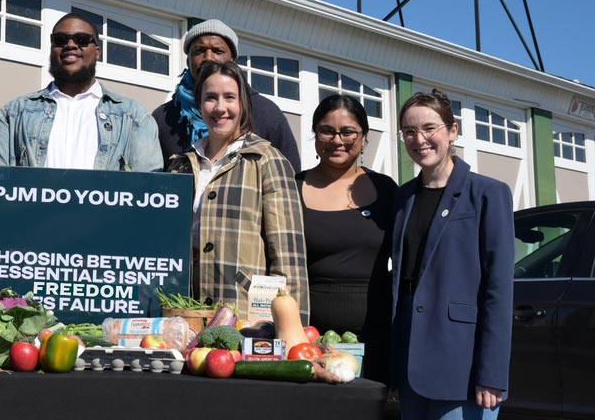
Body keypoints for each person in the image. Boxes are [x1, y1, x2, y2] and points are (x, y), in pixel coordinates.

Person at [391, 90, 514, 419]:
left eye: (430, 128)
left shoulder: (488, 194)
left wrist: (492, 373)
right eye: (409, 131)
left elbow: (498, 291)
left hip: (462, 367)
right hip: (409, 361)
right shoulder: (403, 198)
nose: (420, 139)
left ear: (452, 130)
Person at [166, 61, 308, 319]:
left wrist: (292, 330)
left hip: (245, 318)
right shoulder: (179, 165)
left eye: (229, 97)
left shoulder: (266, 159)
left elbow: (288, 258)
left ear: (243, 103)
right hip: (184, 314)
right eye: (211, 98)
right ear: (199, 104)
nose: (220, 108)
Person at [295, 94, 397, 383]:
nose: (337, 140)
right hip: (308, 340)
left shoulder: (386, 190)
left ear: (363, 138)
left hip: (375, 338)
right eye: (327, 131)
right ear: (315, 136)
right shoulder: (291, 188)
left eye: (348, 131)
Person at [0, 13, 162, 171]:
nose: (71, 44)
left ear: (97, 52)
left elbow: (149, 189)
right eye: (60, 40)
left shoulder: (134, 118)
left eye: (82, 39)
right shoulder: (14, 113)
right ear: (52, 49)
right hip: (33, 213)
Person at [153, 19, 302, 170]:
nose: (208, 58)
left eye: (218, 51)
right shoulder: (164, 117)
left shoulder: (266, 113)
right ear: (188, 59)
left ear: (232, 60)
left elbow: (290, 175)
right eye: (199, 51)